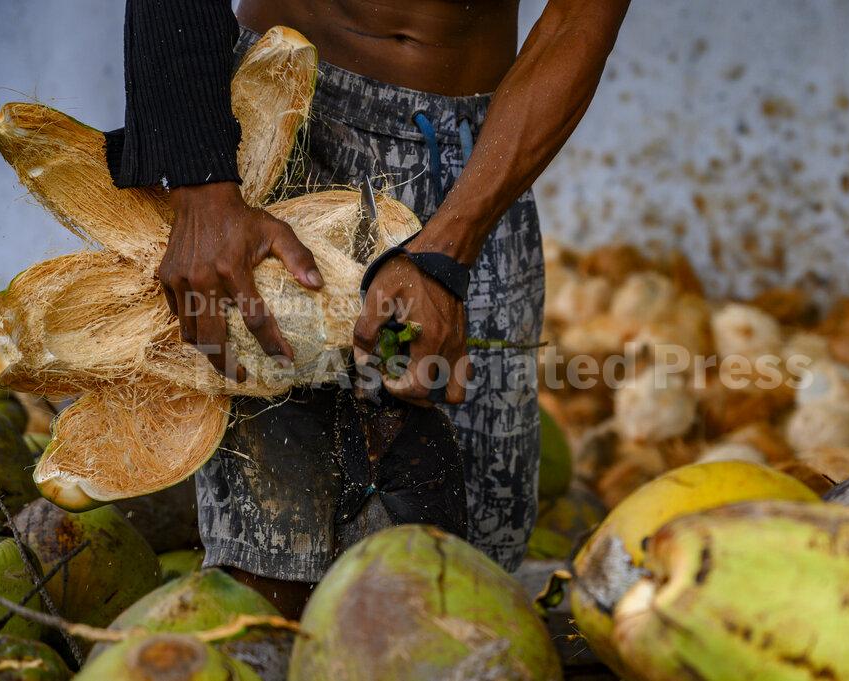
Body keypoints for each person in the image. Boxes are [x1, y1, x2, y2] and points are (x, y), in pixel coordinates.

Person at [107, 0, 629, 616]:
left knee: (464, 579)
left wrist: (447, 249)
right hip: (284, 122)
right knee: (273, 563)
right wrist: (201, 183)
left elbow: (580, 18)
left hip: (478, 159)